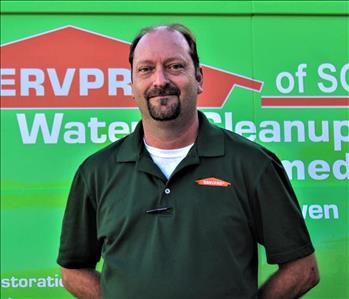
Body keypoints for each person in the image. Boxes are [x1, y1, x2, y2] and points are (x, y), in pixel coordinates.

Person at [57, 24, 320, 299]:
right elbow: (72, 270)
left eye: (174, 66)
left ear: (199, 77)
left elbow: (303, 270)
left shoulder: (253, 165)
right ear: (132, 84)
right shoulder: (96, 172)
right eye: (146, 69)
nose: (160, 80)